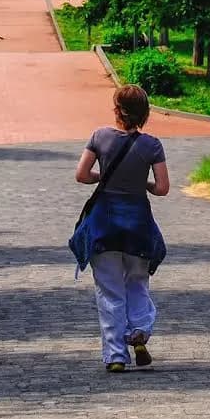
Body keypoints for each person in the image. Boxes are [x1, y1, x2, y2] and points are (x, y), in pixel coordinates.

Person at [71, 85, 171, 373]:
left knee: (110, 291)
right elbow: (162, 188)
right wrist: (143, 183)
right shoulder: (152, 145)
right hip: (138, 225)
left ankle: (116, 355)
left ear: (116, 109)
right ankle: (138, 332)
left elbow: (81, 175)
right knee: (137, 281)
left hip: (104, 225)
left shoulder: (99, 137)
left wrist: (102, 177)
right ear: (145, 113)